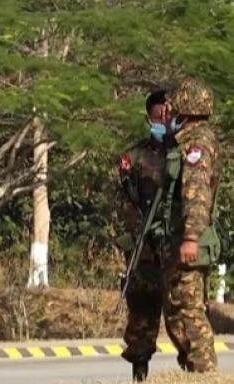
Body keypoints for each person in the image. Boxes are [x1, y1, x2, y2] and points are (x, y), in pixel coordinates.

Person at [159, 77, 219, 374]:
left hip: (190, 239)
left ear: (185, 105)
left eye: (171, 105)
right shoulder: (182, 141)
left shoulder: (197, 144)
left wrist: (191, 237)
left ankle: (204, 372)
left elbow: (196, 193)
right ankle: (193, 371)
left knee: (190, 309)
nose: (167, 111)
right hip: (178, 238)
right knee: (176, 309)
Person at [116, 90, 169, 382]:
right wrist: (139, 235)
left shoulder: (184, 154)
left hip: (176, 242)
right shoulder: (134, 156)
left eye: (168, 116)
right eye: (158, 116)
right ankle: (140, 371)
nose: (164, 121)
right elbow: (124, 202)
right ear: (149, 118)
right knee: (142, 309)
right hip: (145, 244)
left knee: (184, 309)